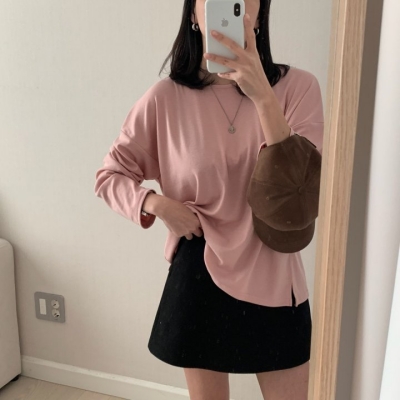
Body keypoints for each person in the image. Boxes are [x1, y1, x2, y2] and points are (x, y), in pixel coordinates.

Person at [94, 0, 324, 399]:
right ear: (193, 15)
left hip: (274, 275)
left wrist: (263, 96)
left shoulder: (298, 88)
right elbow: (110, 175)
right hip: (199, 276)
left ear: (260, 14)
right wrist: (158, 205)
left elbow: (304, 189)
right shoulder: (165, 98)